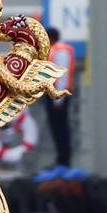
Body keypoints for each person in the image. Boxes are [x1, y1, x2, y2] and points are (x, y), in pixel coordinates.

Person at [44, 26, 75, 168]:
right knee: (55, 128)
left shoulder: (61, 51)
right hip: (52, 94)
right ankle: (60, 159)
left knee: (60, 128)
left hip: (57, 95)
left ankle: (64, 160)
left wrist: (58, 99)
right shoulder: (54, 51)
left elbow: (62, 76)